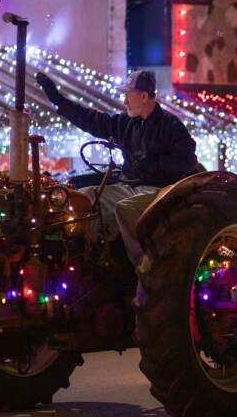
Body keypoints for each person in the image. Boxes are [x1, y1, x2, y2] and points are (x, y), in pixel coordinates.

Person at [35, 70, 198, 271]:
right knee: (85, 197)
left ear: (144, 96)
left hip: (157, 191)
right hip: (127, 186)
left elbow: (188, 161)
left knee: (125, 208)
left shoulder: (171, 126)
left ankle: (143, 268)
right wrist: (59, 100)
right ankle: (93, 256)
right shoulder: (126, 123)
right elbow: (91, 119)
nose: (125, 100)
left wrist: (155, 164)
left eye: (128, 95)